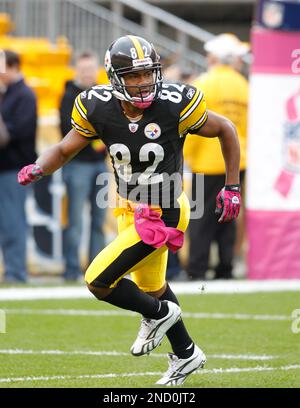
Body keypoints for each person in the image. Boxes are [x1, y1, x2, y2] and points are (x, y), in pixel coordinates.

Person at [17, 35, 241, 385]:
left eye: (147, 73)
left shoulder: (174, 104)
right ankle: (186, 354)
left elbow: (226, 129)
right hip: (127, 204)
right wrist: (39, 166)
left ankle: (160, 315)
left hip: (164, 210)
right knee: (153, 289)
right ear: (115, 77)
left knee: (99, 281)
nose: (143, 82)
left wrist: (231, 186)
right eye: (133, 76)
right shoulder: (97, 106)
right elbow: (63, 149)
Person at [184, 33, 248, 280]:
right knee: (229, 216)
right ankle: (225, 267)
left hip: (206, 161)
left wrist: (185, 156)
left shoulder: (204, 83)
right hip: (237, 161)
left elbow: (191, 124)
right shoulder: (244, 86)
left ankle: (197, 270)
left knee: (200, 219)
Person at [59, 51, 107, 281]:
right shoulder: (68, 97)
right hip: (77, 165)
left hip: (100, 164)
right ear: (77, 71)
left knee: (99, 221)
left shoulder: (104, 94)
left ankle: (97, 271)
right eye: (84, 70)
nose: (88, 74)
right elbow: (67, 130)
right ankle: (71, 269)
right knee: (75, 221)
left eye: (91, 70)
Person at [0, 50, 37, 283]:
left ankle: (16, 272)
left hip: (14, 169)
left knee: (13, 221)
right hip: (5, 167)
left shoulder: (24, 95)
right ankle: (12, 270)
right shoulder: (9, 94)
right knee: (7, 221)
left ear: (12, 67)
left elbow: (13, 135)